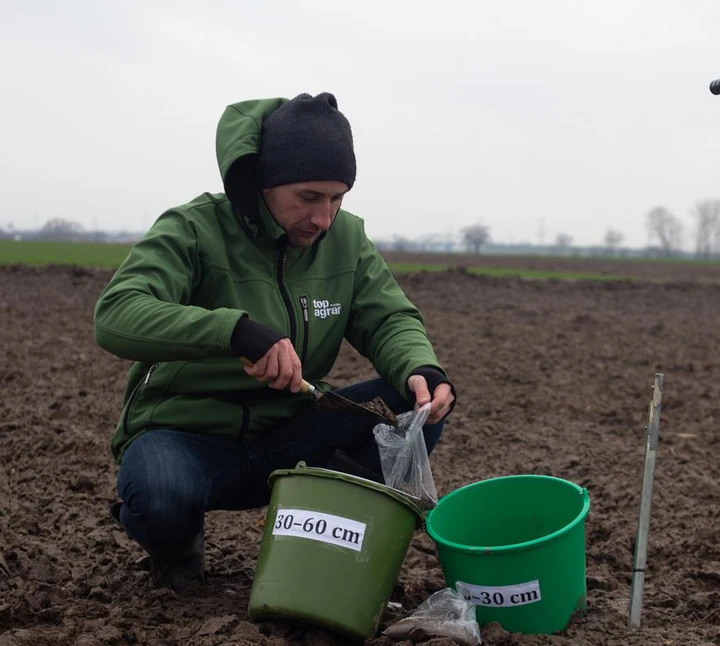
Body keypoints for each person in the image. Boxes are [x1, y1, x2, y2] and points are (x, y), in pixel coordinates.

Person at [94, 92, 456, 592]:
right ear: (263, 182)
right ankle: (174, 545)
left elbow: (388, 316)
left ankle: (326, 543)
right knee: (159, 496)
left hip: (292, 430)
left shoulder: (346, 240)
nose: (324, 218)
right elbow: (116, 314)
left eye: (337, 198)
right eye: (309, 197)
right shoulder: (194, 228)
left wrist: (422, 367)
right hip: (185, 435)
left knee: (412, 408)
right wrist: (234, 331)